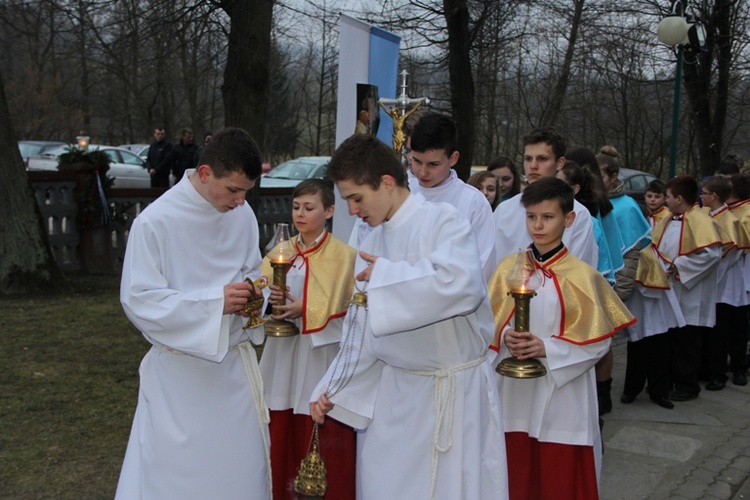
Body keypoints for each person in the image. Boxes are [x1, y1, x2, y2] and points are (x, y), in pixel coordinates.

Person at [310, 134, 508, 500]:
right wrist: (331, 385)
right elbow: (362, 329)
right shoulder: (370, 240)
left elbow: (462, 286)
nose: (353, 211)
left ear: (386, 183)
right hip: (397, 394)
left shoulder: (443, 222)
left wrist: (386, 277)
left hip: (452, 393)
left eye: (357, 198)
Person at [116, 128, 271, 499]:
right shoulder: (155, 222)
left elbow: (252, 270)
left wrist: (256, 296)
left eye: (246, 191)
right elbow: (140, 301)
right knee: (180, 481)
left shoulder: (243, 213)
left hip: (233, 375)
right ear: (204, 174)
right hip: (180, 380)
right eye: (233, 190)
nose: (239, 201)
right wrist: (214, 302)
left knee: (239, 476)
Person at [488, 177, 634, 499]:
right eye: (531, 217)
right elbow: (486, 326)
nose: (538, 226)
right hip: (512, 393)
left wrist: (547, 347)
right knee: (513, 471)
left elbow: (598, 342)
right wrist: (504, 336)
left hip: (563, 394)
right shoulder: (505, 270)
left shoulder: (583, 276)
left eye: (548, 217)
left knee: (559, 479)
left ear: (569, 219)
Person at [259, 179, 357, 500]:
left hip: (319, 352)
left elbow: (348, 307)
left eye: (309, 208)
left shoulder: (344, 256)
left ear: (329, 211)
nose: (300, 214)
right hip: (283, 351)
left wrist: (306, 308)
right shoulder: (280, 251)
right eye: (296, 207)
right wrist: (269, 300)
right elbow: (260, 292)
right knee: (280, 415)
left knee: (314, 420)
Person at [651, 175, 722, 401]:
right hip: (671, 289)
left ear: (679, 199)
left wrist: (679, 265)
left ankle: (687, 386)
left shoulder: (702, 221)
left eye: (669, 197)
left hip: (691, 292)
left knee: (688, 342)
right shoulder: (668, 219)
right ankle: (670, 380)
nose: (665, 201)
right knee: (672, 340)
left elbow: (711, 254)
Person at [409, 113, 497, 281]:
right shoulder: (402, 194)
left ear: (453, 158)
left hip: (455, 302)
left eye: (433, 164)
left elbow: (482, 265)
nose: (422, 172)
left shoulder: (473, 202)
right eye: (417, 161)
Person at [493, 127, 598, 269]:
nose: (533, 166)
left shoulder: (577, 214)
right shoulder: (504, 210)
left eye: (542, 159)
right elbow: (492, 266)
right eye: (528, 159)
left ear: (560, 163)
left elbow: (576, 273)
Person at [699, 176, 747, 390]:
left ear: (714, 196)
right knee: (716, 331)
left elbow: (730, 255)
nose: (701, 196)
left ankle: (737, 370)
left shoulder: (730, 221)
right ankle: (715, 371)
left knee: (733, 329)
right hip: (715, 282)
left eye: (704, 192)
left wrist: (709, 275)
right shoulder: (708, 215)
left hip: (728, 283)